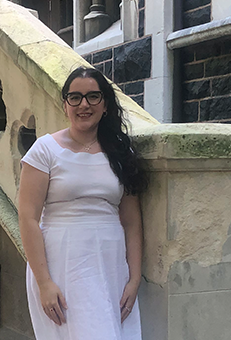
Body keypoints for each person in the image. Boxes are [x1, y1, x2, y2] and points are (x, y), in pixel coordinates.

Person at [18, 67, 147, 339]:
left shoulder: (122, 152)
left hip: (110, 265)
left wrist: (134, 279)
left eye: (92, 97)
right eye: (74, 97)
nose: (84, 104)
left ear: (105, 105)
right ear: (65, 105)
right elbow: (28, 218)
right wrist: (44, 283)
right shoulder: (44, 150)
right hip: (61, 264)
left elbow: (132, 222)